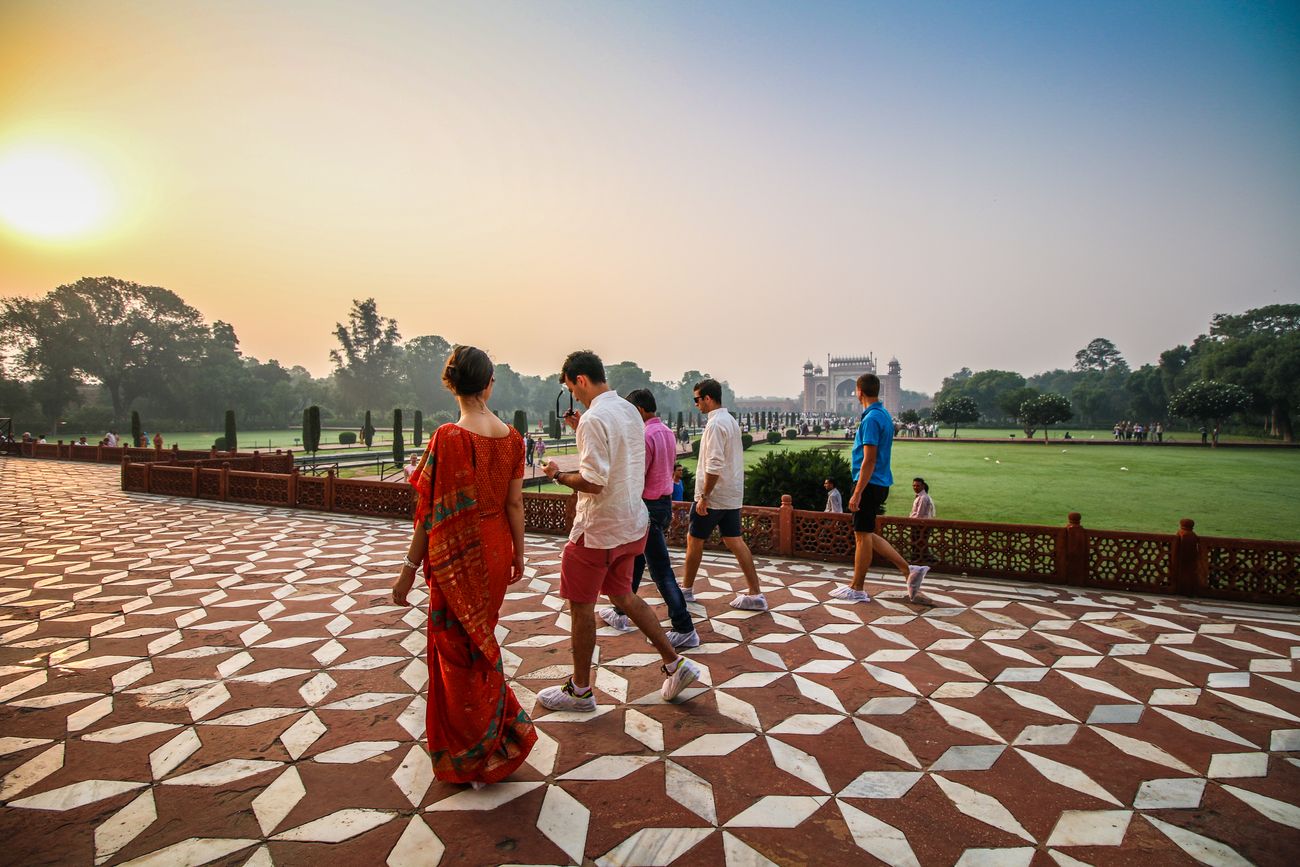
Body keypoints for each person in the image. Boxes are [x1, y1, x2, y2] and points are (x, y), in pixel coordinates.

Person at [390, 345, 535, 786]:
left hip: (458, 553)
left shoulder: (448, 438)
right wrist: (519, 553)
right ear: (490, 383)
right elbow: (514, 504)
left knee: (457, 652)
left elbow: (429, 512)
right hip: (494, 548)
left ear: (451, 383)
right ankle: (492, 738)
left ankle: (469, 751)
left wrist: (408, 568)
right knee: (481, 640)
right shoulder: (513, 439)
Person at [540, 350, 700, 712]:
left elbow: (593, 482)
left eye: (571, 388)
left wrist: (557, 475)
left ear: (580, 380)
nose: (574, 396)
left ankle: (580, 691)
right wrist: (582, 426)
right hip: (633, 523)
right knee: (623, 596)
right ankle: (676, 663)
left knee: (581, 607)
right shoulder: (628, 410)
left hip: (599, 530)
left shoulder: (595, 419)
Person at [600, 389, 698, 648]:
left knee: (661, 571)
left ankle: (684, 626)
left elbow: (637, 475)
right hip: (663, 505)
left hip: (648, 508)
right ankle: (621, 612)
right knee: (636, 561)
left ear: (640, 410)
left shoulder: (645, 436)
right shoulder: (666, 432)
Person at [835, 373, 930, 605]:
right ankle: (908, 570)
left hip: (868, 483)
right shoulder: (884, 415)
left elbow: (869, 459)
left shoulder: (870, 419)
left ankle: (857, 587)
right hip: (880, 482)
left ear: (858, 391)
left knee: (861, 536)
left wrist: (857, 491)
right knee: (866, 534)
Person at [679, 378, 767, 611]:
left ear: (708, 398)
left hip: (714, 496)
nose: (696, 404)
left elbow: (714, 464)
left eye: (697, 399)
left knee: (694, 540)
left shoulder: (716, 424)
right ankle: (756, 593)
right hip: (731, 494)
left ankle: (686, 590)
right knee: (734, 541)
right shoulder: (730, 421)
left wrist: (704, 496)